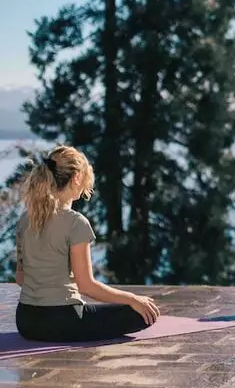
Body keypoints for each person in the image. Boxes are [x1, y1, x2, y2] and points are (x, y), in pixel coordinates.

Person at [15, 145, 160, 342]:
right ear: (76, 178)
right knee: (141, 313)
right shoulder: (76, 222)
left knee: (132, 308)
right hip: (62, 322)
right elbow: (87, 286)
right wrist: (133, 299)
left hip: (26, 321)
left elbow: (21, 279)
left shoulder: (25, 219)